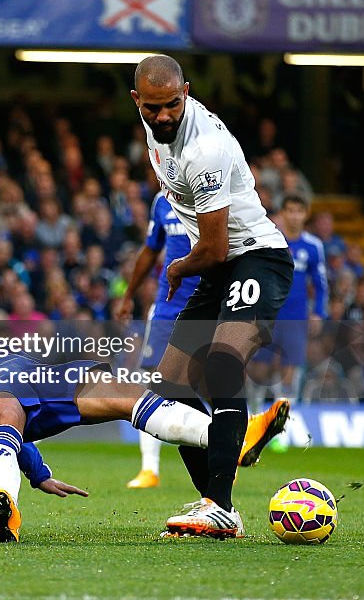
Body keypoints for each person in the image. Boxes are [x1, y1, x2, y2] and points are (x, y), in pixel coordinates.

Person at [0, 241, 288, 543]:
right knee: (6, 417)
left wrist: (39, 472)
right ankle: (5, 506)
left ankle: (231, 437)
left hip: (25, 369)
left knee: (123, 391)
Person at [131, 54, 294, 539]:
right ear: (137, 100)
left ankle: (218, 502)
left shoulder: (205, 148)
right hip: (219, 266)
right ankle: (219, 504)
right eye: (152, 108)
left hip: (256, 257)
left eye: (171, 106)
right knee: (170, 389)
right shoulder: (156, 129)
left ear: (187, 92)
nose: (162, 117)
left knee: (223, 361)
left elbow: (216, 246)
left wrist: (178, 266)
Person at [114, 191, 195, 489]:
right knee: (151, 382)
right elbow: (150, 250)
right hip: (167, 305)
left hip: (207, 303)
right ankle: (150, 469)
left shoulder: (209, 191)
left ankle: (227, 454)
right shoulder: (161, 201)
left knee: (212, 383)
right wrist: (128, 295)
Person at [248, 195, 328, 404]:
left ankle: (284, 420)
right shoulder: (270, 241)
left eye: (298, 211)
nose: (294, 216)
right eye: (289, 211)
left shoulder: (313, 246)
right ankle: (253, 412)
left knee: (290, 371)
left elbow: (320, 285)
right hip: (268, 316)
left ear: (305, 214)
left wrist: (318, 313)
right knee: (258, 371)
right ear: (282, 214)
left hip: (296, 318)